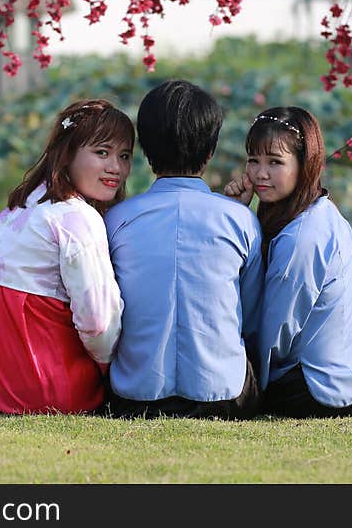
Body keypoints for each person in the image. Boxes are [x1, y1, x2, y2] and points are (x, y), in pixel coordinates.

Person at [0, 99, 135, 414]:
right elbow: (99, 324)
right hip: (40, 384)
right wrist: (113, 370)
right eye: (102, 153)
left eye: (125, 155)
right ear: (67, 152)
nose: (115, 167)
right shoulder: (77, 218)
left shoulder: (22, 205)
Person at [103, 79, 264, 419]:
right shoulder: (242, 221)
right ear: (210, 151)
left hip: (134, 397)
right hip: (223, 397)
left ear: (145, 152)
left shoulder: (115, 221)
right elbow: (249, 317)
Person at [224, 106, 352, 418]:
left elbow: (274, 339)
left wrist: (244, 382)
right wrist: (240, 215)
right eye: (253, 160)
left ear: (305, 164)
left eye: (275, 162)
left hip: (324, 386)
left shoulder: (301, 238)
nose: (260, 173)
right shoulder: (321, 209)